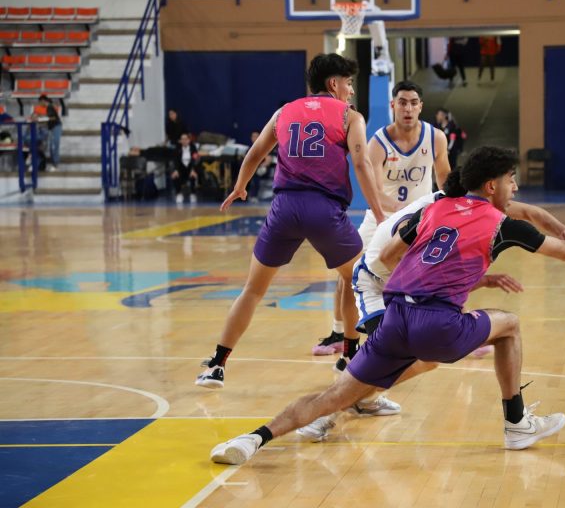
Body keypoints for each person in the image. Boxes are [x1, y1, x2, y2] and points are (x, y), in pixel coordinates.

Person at [209, 145, 565, 465]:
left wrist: (449, 276)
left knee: (330, 396)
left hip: (396, 319)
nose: (515, 186)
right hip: (435, 323)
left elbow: (392, 254)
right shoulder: (502, 224)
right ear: (491, 185)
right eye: (511, 179)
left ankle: (252, 439)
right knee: (510, 323)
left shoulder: (435, 208)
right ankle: (517, 423)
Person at [297, 168, 565, 441]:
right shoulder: (439, 213)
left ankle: (360, 398)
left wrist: (564, 232)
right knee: (391, 359)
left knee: (425, 360)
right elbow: (406, 267)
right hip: (375, 283)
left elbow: (530, 212)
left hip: (401, 286)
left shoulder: (452, 206)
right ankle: (327, 413)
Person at [195, 53, 385, 388]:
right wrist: (380, 214)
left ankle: (217, 364)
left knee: (253, 290)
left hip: (283, 208)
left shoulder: (284, 111)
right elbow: (361, 163)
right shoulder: (349, 116)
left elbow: (256, 153)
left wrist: (240, 186)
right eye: (349, 83)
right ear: (334, 84)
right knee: (356, 278)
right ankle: (350, 356)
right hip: (323, 210)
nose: (351, 90)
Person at [313, 80, 451, 361]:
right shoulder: (378, 142)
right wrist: (402, 211)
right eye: (402, 102)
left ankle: (452, 327)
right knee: (349, 271)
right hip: (381, 217)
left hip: (420, 220)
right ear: (392, 105)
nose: (408, 108)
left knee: (445, 268)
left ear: (421, 106)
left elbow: (445, 180)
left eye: (413, 103)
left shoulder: (435, 137)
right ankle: (339, 332)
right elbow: (374, 190)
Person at [172, 133, 200, 204]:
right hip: (181, 169)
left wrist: (193, 170)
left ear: (188, 140)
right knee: (175, 176)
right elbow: (175, 160)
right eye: (182, 139)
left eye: (185, 139)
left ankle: (193, 194)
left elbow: (196, 160)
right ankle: (178, 194)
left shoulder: (193, 148)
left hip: (190, 168)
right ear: (180, 141)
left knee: (193, 175)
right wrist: (175, 170)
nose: (184, 141)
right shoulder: (177, 148)